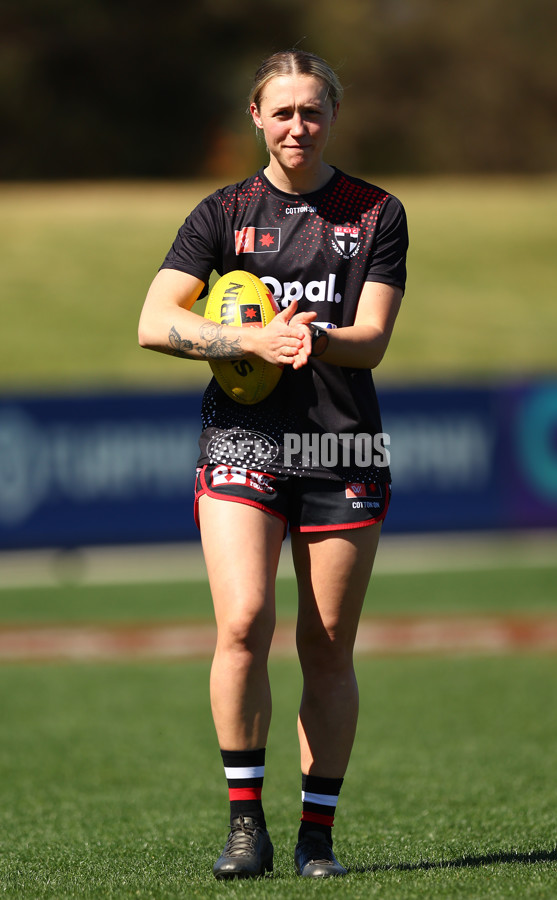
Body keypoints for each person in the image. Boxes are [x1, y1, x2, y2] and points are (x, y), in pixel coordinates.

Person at [138, 48, 408, 880]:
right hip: (241, 439)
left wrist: (312, 338)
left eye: (313, 110)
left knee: (327, 645)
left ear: (332, 116)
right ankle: (246, 826)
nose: (299, 124)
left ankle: (316, 835)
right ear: (256, 116)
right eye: (282, 110)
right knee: (244, 620)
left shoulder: (376, 212)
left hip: (339, 442)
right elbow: (154, 321)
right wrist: (244, 339)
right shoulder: (222, 213)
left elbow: (372, 338)